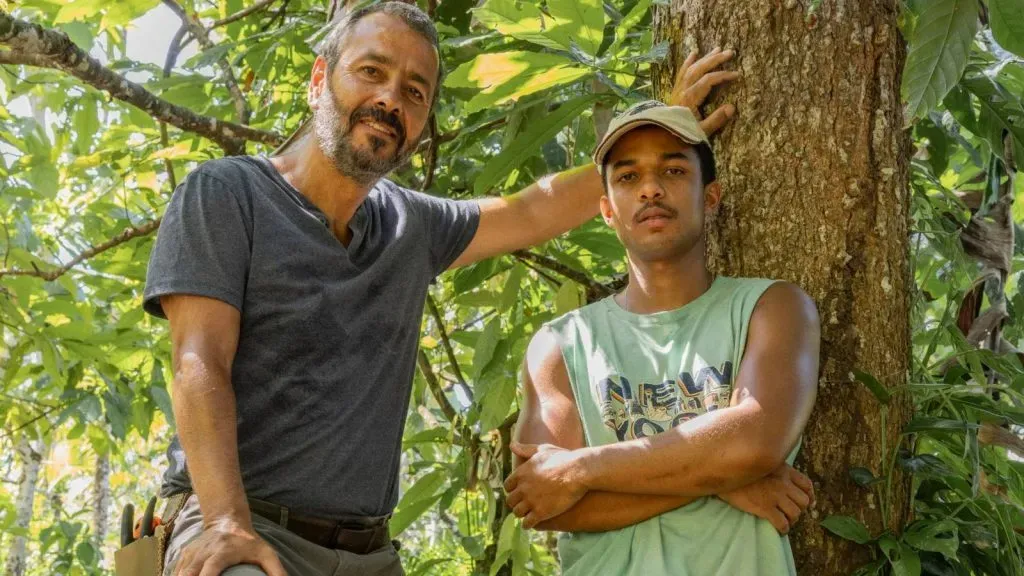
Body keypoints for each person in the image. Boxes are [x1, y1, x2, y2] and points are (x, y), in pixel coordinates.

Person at [144, 3, 738, 576]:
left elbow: (532, 211)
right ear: (319, 79)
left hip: (367, 553)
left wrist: (659, 126)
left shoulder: (410, 225)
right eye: (371, 72)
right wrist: (226, 522)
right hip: (241, 529)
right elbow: (198, 360)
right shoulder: (227, 193)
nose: (389, 100)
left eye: (414, 91)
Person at [504, 101, 821, 575]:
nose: (651, 189)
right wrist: (723, 478)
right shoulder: (560, 344)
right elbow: (543, 501)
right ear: (608, 211)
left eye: (673, 170)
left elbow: (755, 444)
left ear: (709, 196)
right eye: (628, 177)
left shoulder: (771, 308)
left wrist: (580, 469)